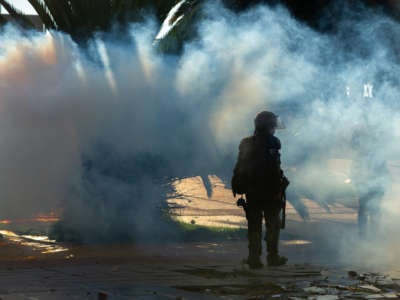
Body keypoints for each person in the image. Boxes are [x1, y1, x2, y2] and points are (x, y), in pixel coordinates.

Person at [232, 111, 288, 268]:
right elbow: (274, 168)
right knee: (273, 225)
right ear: (268, 127)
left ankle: (254, 258)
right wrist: (279, 186)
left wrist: (239, 185)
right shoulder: (273, 142)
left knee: (254, 224)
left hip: (252, 190)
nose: (274, 129)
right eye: (273, 127)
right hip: (269, 190)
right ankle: (272, 257)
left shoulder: (246, 143)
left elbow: (239, 166)